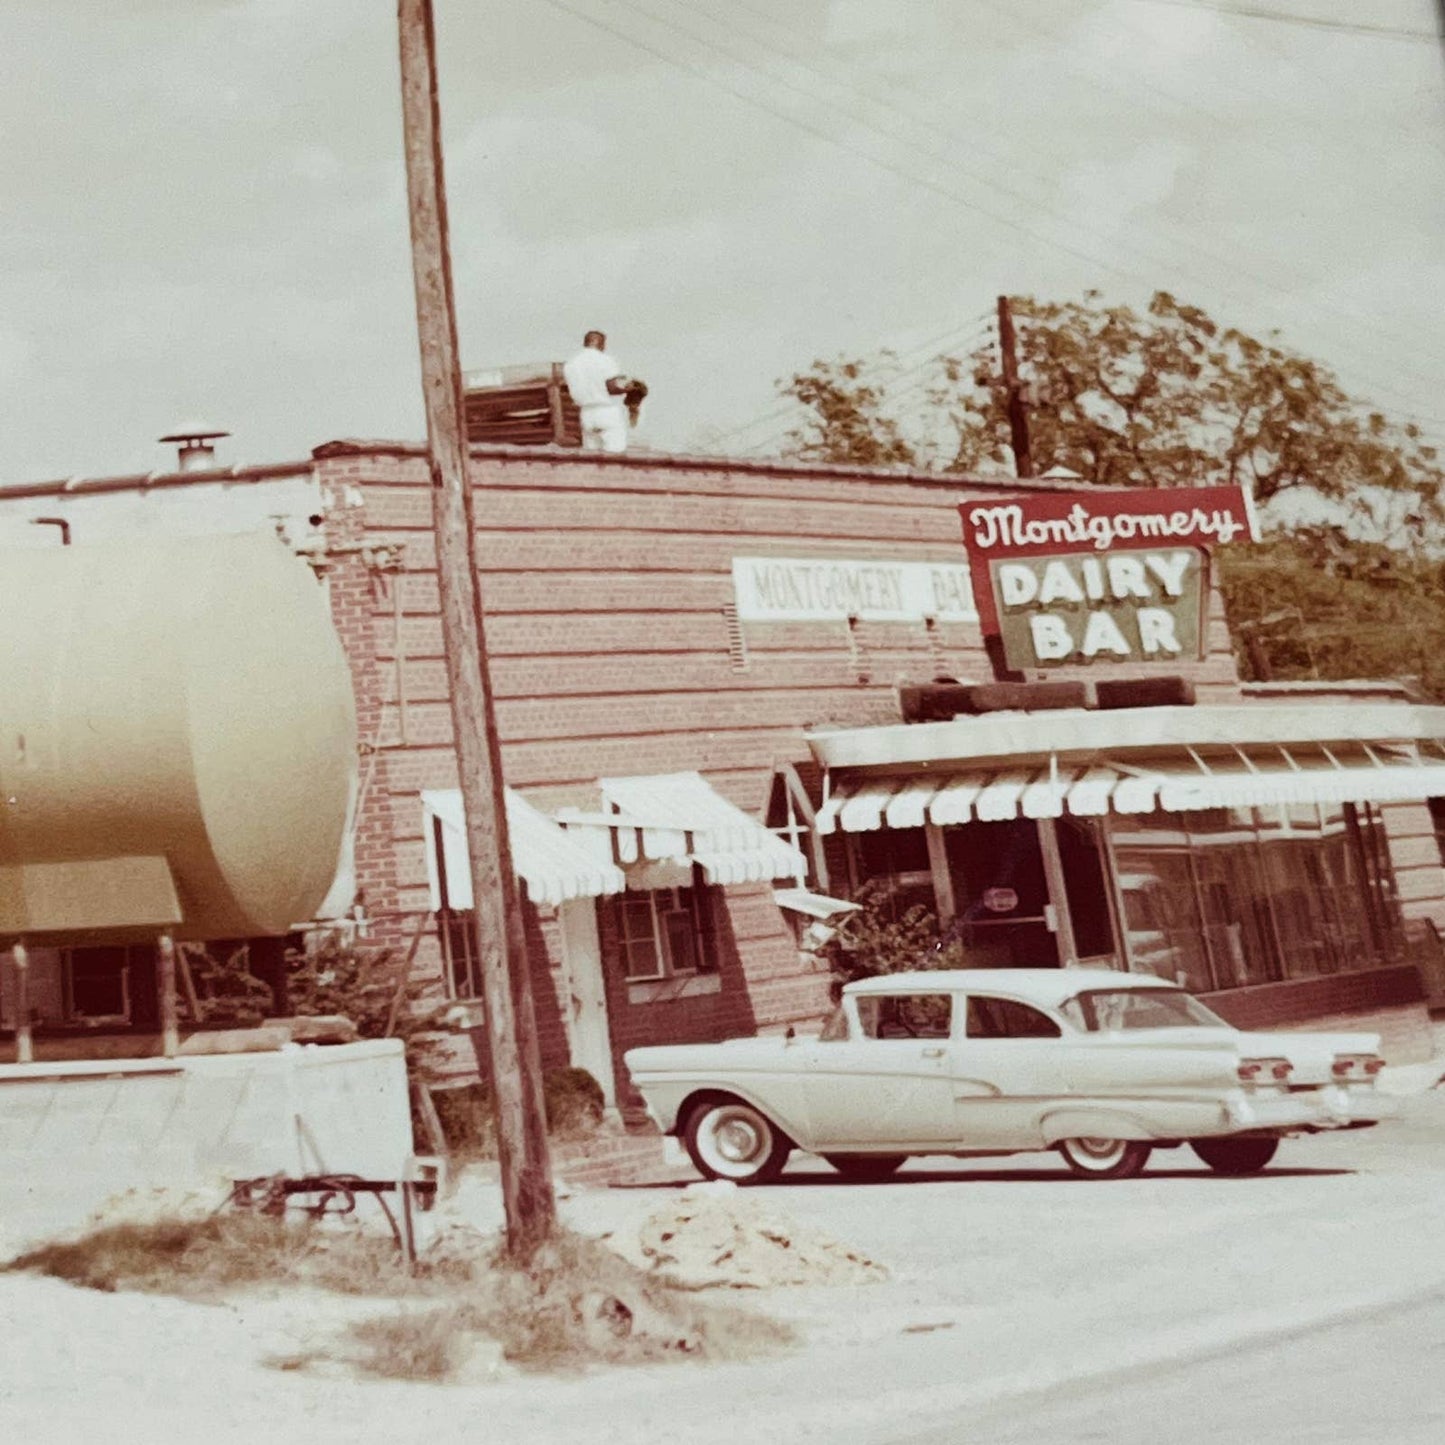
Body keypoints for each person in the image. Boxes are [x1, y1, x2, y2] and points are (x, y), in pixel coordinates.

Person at [562, 330, 635, 453]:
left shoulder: (571, 364)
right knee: (615, 453)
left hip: (586, 413)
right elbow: (611, 387)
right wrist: (627, 388)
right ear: (599, 343)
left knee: (591, 455)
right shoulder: (605, 360)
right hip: (606, 410)